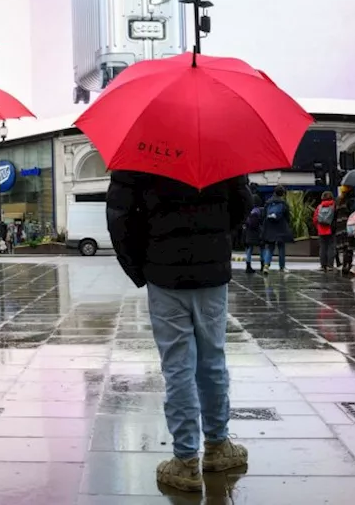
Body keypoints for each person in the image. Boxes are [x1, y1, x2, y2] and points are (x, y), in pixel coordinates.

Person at [107, 170, 251, 492]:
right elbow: (242, 203)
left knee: (178, 368)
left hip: (164, 273)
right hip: (211, 273)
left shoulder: (136, 153)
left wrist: (141, 266)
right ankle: (218, 445)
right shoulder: (223, 142)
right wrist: (215, 241)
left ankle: (186, 461)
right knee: (212, 360)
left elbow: (120, 217)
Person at [260, 186, 294, 273]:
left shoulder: (268, 202)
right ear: (282, 194)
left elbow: (263, 215)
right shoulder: (283, 203)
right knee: (281, 248)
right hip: (281, 228)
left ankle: (266, 266)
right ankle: (282, 267)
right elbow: (287, 217)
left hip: (270, 228)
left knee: (270, 248)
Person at [314, 191, 337, 271]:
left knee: (323, 247)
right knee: (331, 247)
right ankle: (330, 265)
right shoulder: (334, 205)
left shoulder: (319, 207)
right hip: (331, 229)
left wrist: (318, 227)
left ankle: (322, 265)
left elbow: (315, 219)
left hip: (321, 230)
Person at [241, 203, 264, 273]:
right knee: (262, 249)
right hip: (257, 233)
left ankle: (248, 266)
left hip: (248, 234)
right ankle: (262, 266)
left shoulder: (248, 211)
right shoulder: (259, 211)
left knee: (249, 250)